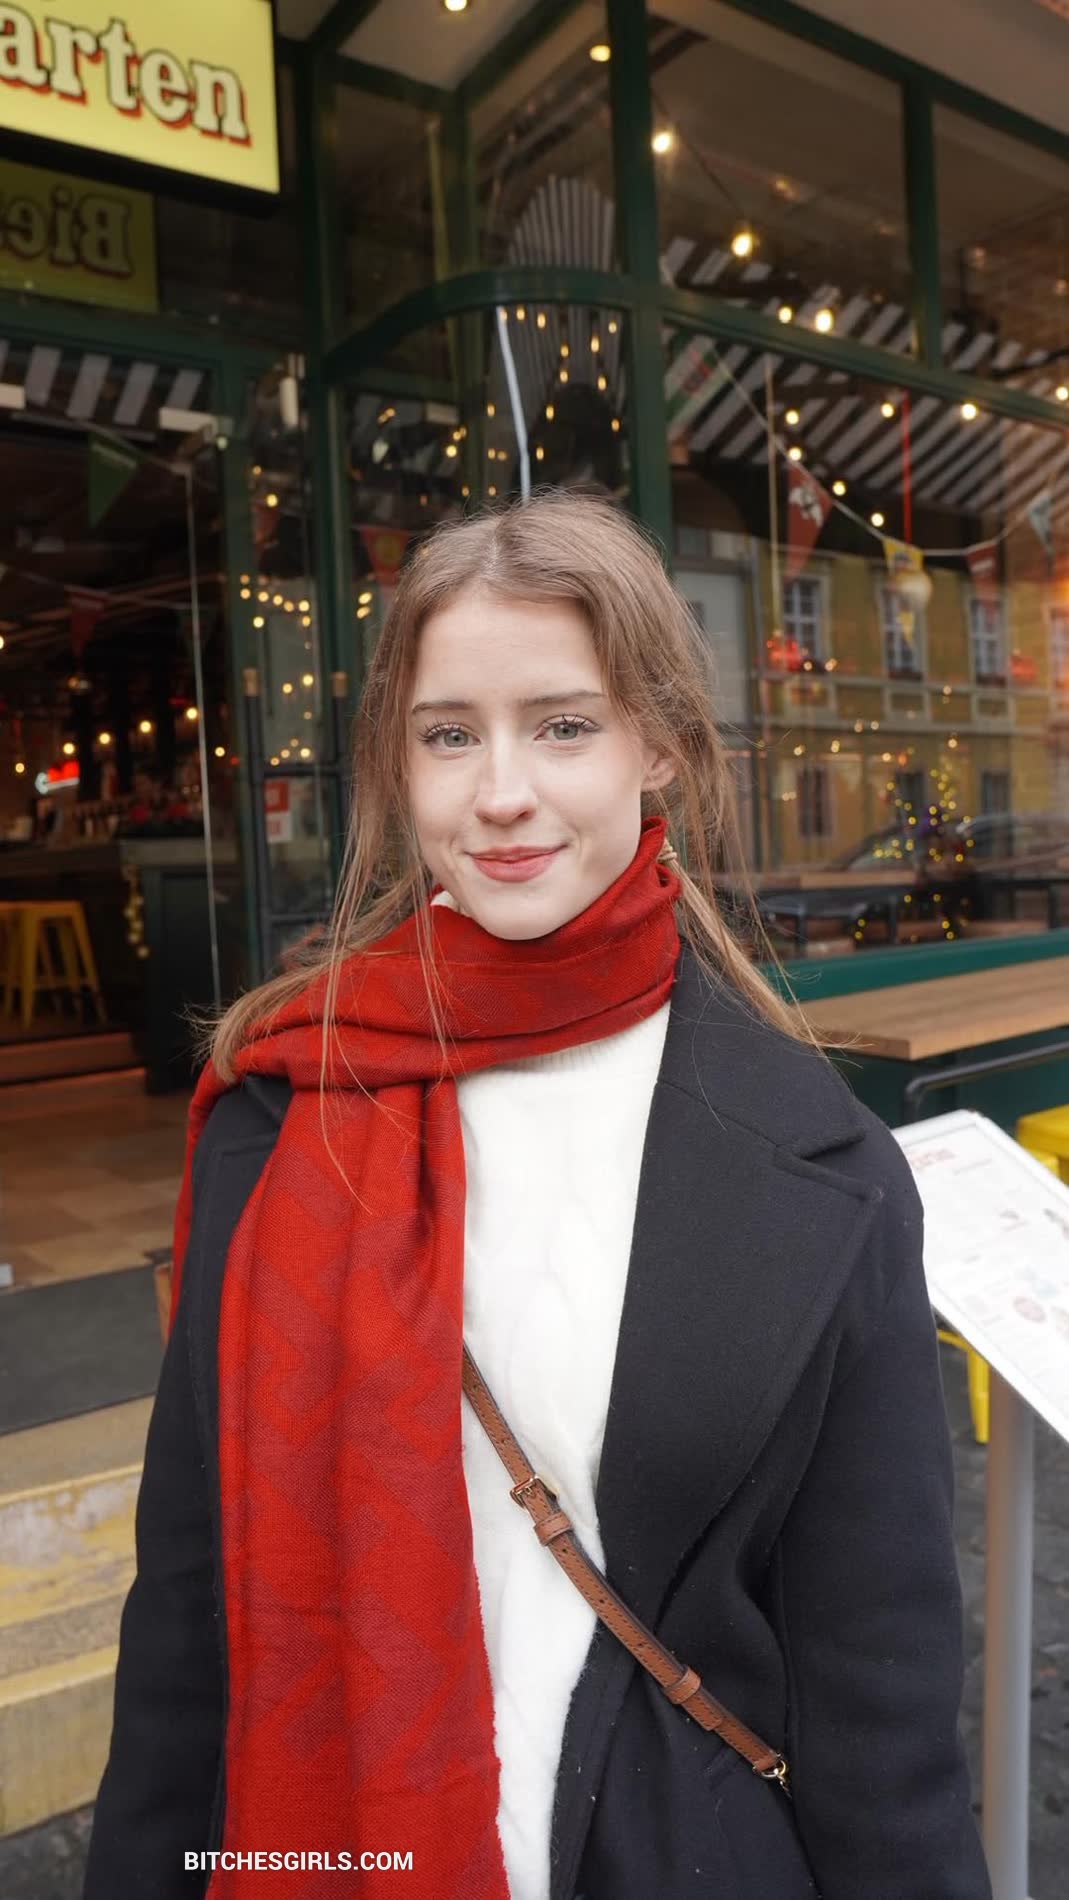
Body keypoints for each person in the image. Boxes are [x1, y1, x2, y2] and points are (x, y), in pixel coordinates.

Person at [84, 490, 992, 1900]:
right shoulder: (282, 1104)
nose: (500, 791)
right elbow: (191, 1599)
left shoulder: (828, 1168)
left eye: (562, 726)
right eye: (449, 735)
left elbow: (876, 1679)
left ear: (660, 746)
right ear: (397, 763)